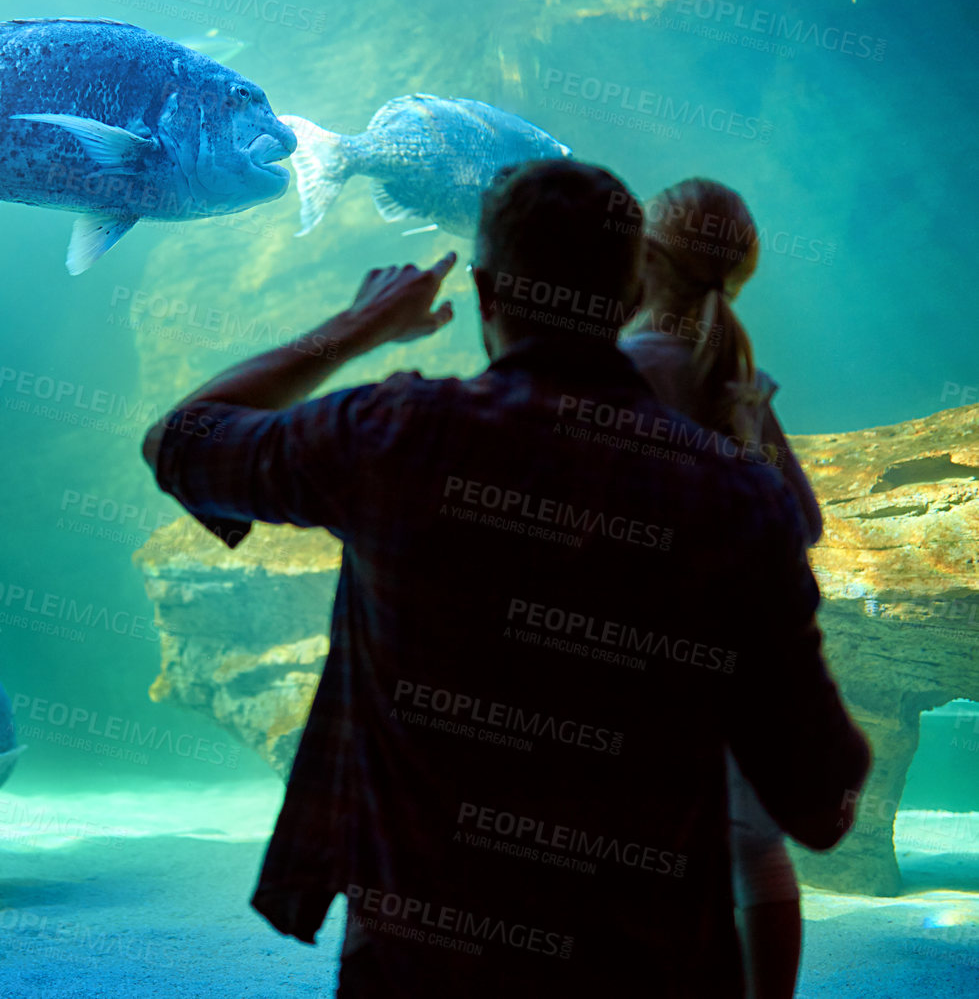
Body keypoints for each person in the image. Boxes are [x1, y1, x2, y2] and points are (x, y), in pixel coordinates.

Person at [141, 158, 869, 997]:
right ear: (630, 289)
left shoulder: (395, 436)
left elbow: (180, 441)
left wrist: (358, 326)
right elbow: (817, 803)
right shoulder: (735, 498)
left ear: (485, 290)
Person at [621, 179, 821, 999]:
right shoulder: (739, 378)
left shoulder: (624, 371)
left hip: (644, 658)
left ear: (641, 261)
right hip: (744, 655)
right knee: (753, 847)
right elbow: (804, 521)